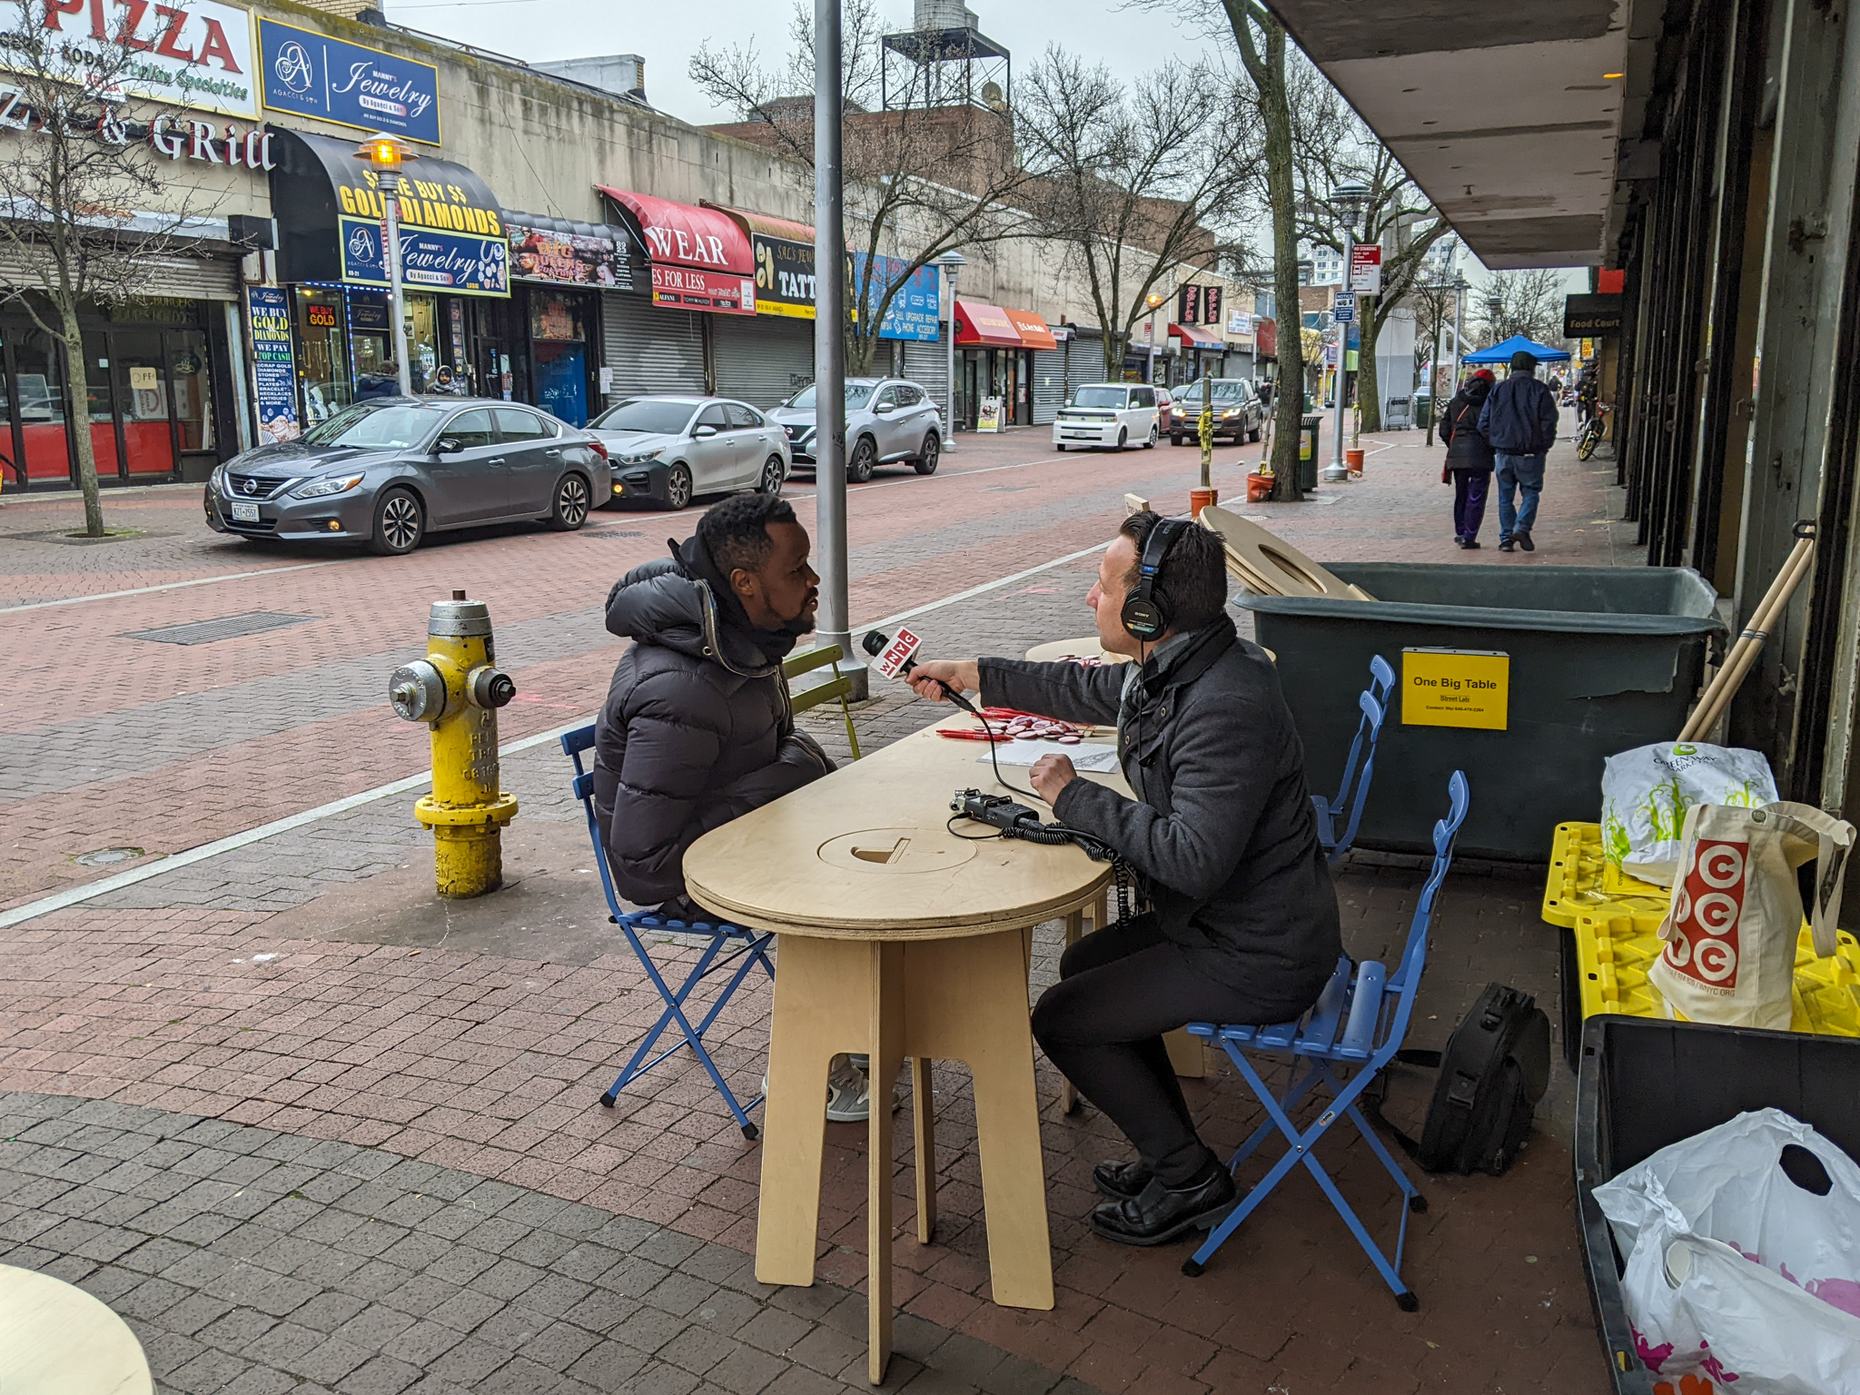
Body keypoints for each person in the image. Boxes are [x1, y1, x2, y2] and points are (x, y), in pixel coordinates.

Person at [908, 513, 1342, 1246]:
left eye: (1103, 587)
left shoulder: (1224, 705)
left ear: (1148, 610)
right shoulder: (1186, 665)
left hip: (1260, 951)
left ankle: (1190, 1176)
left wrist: (1075, 796)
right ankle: (1167, 1146)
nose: (1091, 599)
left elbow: (1193, 856)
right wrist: (975, 673)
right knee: (1083, 965)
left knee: (1062, 1016)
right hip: (1224, 921)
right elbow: (1087, 689)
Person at [593, 495, 875, 1122]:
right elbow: (645, 867)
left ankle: (862, 1029)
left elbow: (769, 762)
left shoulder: (742, 644)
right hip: (685, 875)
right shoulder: (679, 687)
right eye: (797, 569)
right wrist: (789, 780)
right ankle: (813, 1067)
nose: (813, 581)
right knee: (842, 886)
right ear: (744, 583)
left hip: (741, 841)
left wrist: (787, 783)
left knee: (880, 854)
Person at [1477, 349, 1561, 553]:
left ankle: (1506, 538)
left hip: (1504, 452)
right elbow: (1549, 421)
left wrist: (1496, 441)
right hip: (1530, 453)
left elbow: (1483, 423)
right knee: (1531, 492)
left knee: (1505, 497)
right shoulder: (1540, 390)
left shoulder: (1498, 390)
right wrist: (1543, 445)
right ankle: (1521, 527)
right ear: (1531, 368)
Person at [1439, 368, 1497, 549]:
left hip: (1457, 456)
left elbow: (1443, 429)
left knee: (1461, 494)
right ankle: (1469, 536)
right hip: (1481, 455)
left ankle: (1460, 531)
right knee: (1476, 496)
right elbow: (1492, 429)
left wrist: (1454, 445)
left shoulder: (1457, 401)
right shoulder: (1490, 403)